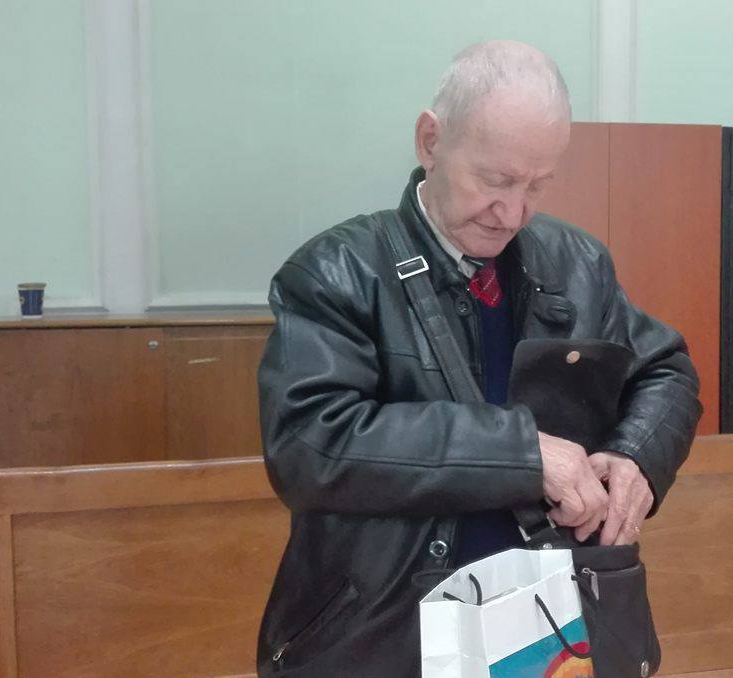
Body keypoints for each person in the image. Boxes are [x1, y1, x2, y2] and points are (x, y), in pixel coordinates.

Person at [256, 40, 701, 677]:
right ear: (430, 141)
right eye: (495, 181)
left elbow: (665, 370)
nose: (513, 213)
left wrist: (637, 458)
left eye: (537, 185)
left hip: (547, 627)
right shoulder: (336, 272)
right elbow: (311, 445)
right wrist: (523, 456)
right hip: (385, 629)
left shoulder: (577, 263)